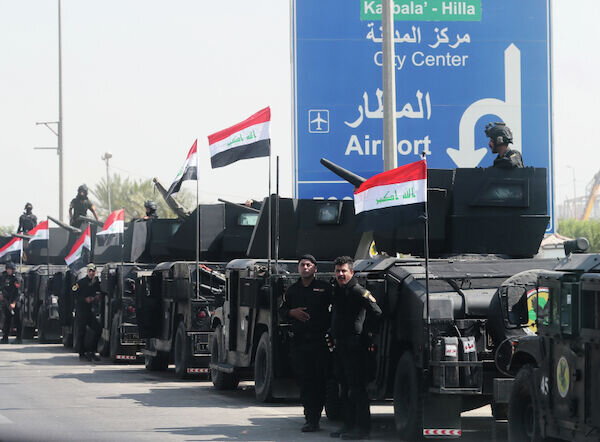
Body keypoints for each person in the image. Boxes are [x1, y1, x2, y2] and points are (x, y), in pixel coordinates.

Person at [279, 254, 333, 433]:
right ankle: (311, 419)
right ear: (298, 268)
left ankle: (321, 414)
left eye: (309, 265)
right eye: (302, 265)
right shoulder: (293, 290)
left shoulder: (325, 289)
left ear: (315, 268)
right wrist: (292, 312)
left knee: (321, 381)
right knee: (305, 382)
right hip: (300, 344)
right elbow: (282, 311)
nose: (305, 268)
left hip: (320, 342)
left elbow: (337, 309)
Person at [329, 256, 381, 440]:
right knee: (344, 388)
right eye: (338, 271)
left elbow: (377, 313)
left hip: (355, 347)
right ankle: (348, 425)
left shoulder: (359, 292)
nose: (340, 274)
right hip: (341, 345)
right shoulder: (338, 291)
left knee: (357, 389)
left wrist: (367, 336)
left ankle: (362, 428)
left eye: (344, 271)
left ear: (352, 272)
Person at [72, 263, 102, 361]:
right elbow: (74, 294)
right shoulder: (81, 282)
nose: (91, 273)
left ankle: (92, 351)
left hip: (90, 311)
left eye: (93, 271)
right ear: (87, 272)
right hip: (81, 311)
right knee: (82, 332)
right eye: (90, 271)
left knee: (98, 329)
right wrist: (84, 299)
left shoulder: (96, 283)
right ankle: (82, 353)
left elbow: (100, 292)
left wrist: (97, 297)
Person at [0, 262, 22, 344]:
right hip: (7, 301)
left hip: (15, 301)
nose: (8, 271)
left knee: (17, 320)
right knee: (7, 320)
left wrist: (14, 303)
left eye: (10, 269)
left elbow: (18, 291)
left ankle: (19, 338)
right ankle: (5, 338)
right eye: (7, 269)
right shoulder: (4, 277)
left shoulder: (16, 278)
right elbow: (2, 286)